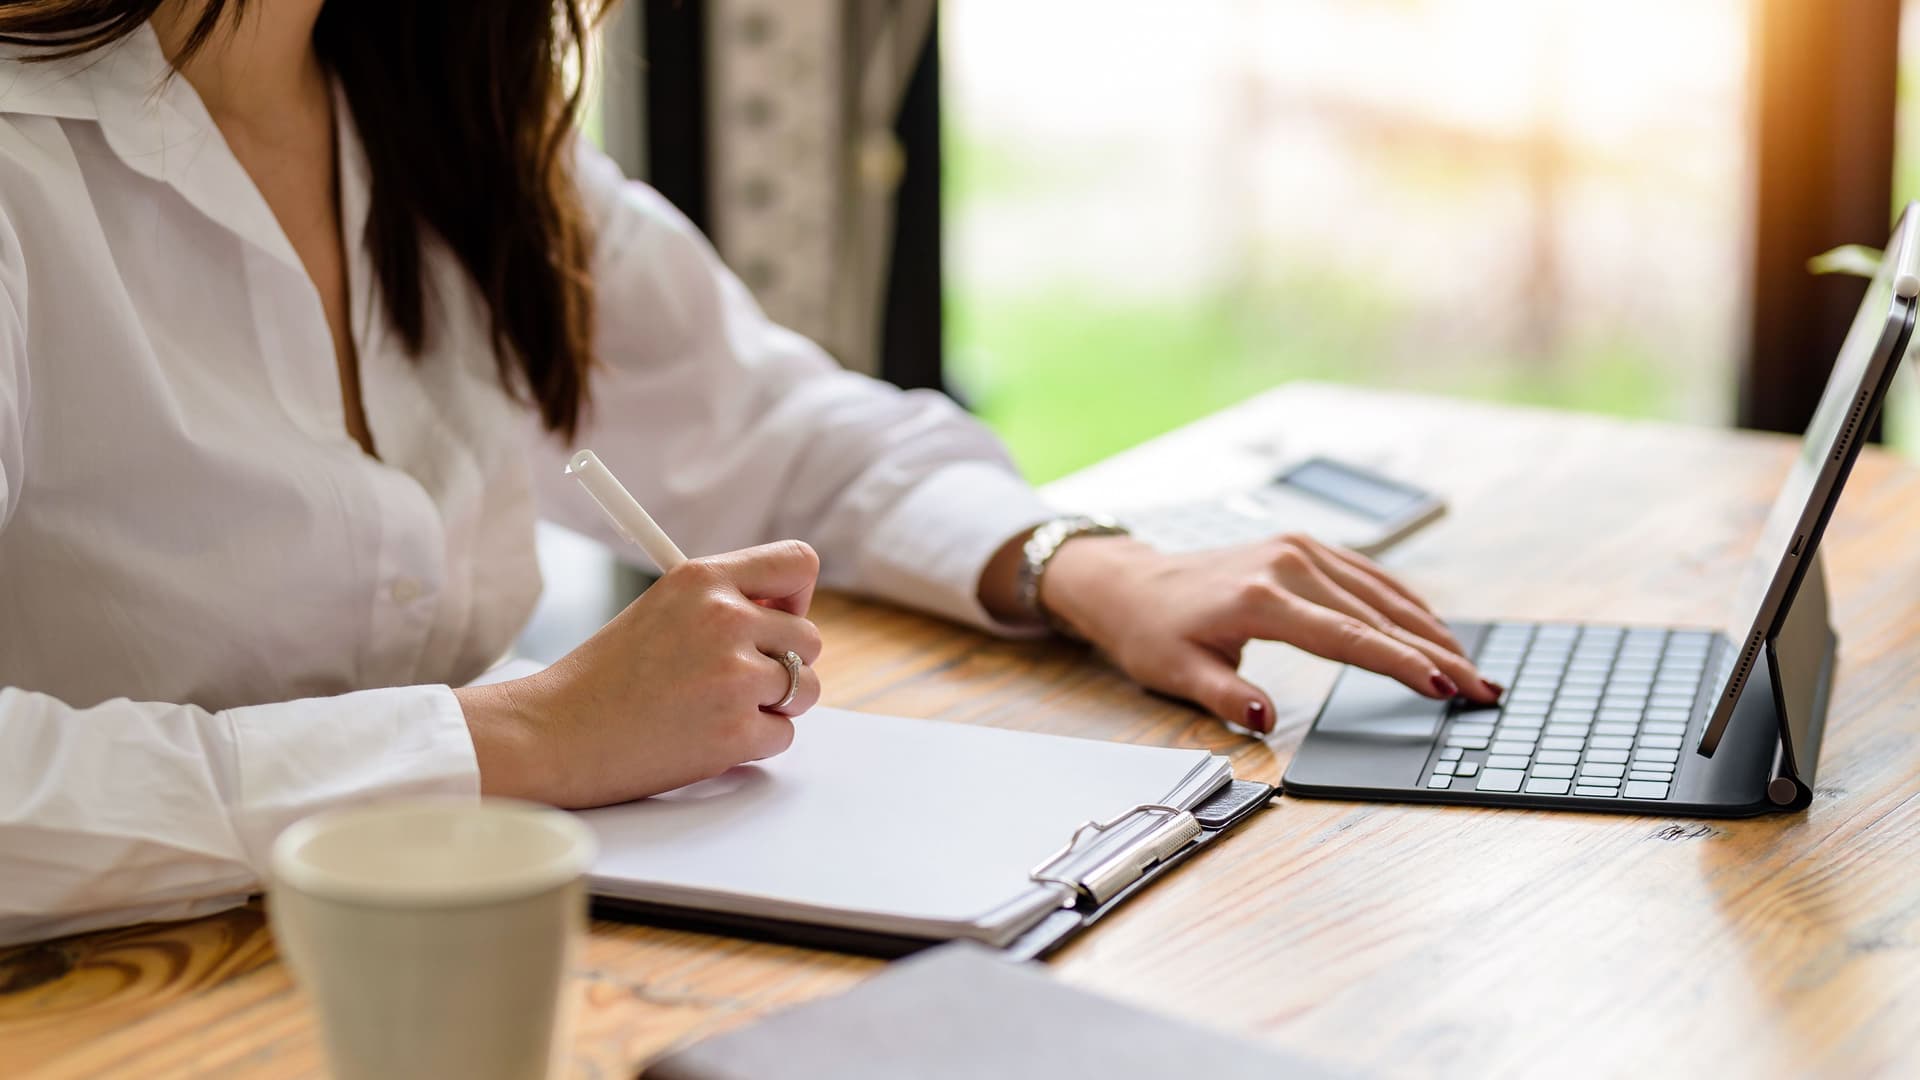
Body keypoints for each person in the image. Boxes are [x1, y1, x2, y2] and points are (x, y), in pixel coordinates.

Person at [0, 0, 1495, 944]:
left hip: (441, 949)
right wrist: (528, 736)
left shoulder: (434, 106)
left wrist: (1085, 565)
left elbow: (778, 429)